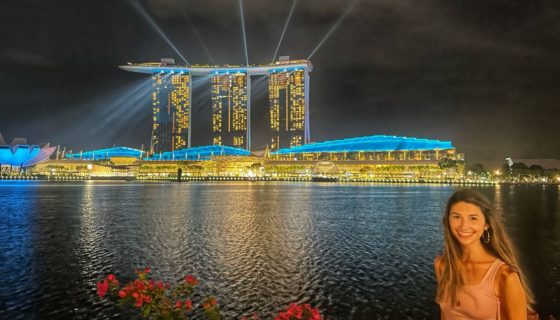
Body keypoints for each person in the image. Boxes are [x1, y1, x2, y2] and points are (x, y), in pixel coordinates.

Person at [434, 189, 535, 320]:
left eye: (473, 218)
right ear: (448, 220)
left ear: (486, 224)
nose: (464, 226)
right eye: (456, 217)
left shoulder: (504, 277)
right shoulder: (442, 265)